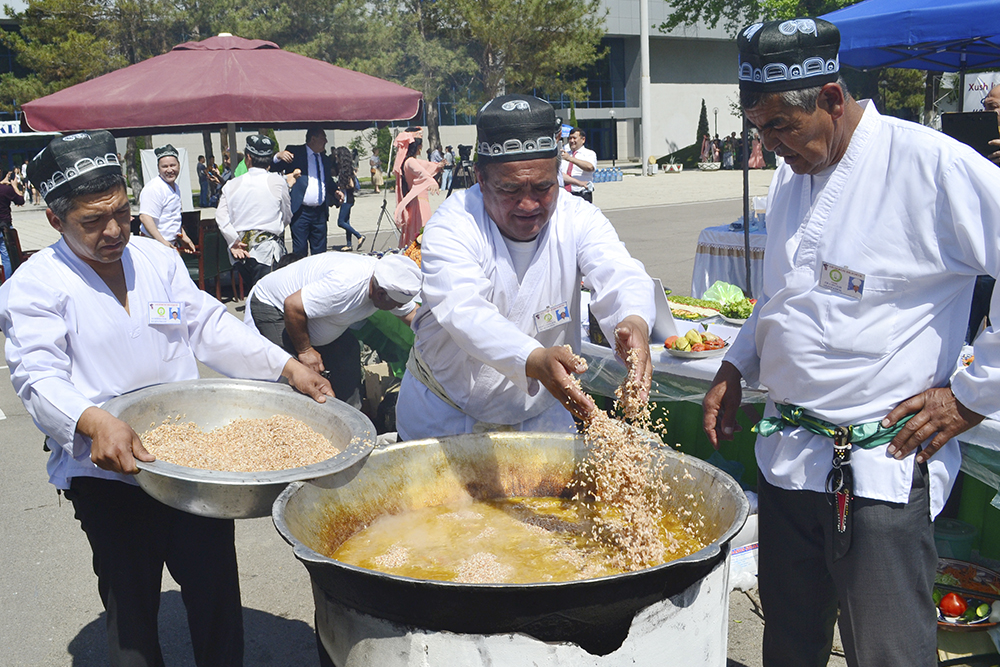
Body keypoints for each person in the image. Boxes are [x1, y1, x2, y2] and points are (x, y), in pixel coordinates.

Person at [702, 18, 1000, 667]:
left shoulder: (931, 167)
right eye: (757, 128)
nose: (767, 146)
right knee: (790, 644)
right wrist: (737, 363)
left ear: (832, 100)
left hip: (879, 467)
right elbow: (783, 293)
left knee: (890, 653)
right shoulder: (793, 171)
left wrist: (973, 396)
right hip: (789, 460)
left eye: (779, 126)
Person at [0, 130, 333, 667]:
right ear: (56, 220)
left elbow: (201, 324)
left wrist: (285, 366)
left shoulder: (155, 261)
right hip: (107, 476)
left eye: (122, 212)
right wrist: (93, 421)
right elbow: (37, 377)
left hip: (190, 466)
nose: (114, 230)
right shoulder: (37, 286)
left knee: (216, 596)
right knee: (131, 612)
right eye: (93, 221)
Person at [395, 94, 655, 440]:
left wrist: (633, 319)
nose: (529, 204)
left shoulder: (577, 218)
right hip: (446, 417)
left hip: (540, 415)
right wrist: (532, 358)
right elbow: (464, 310)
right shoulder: (454, 223)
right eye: (510, 189)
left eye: (544, 187)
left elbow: (620, 272)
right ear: (480, 179)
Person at [246, 252, 421, 410]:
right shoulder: (346, 285)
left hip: (311, 313)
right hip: (277, 307)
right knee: (295, 372)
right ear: (380, 294)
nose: (398, 308)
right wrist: (305, 350)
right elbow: (293, 305)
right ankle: (295, 421)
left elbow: (412, 314)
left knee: (348, 352)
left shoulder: (385, 285)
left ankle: (350, 414)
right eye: (396, 304)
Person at [214, 134, 292, 290]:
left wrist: (233, 240)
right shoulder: (277, 181)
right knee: (268, 295)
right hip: (267, 250)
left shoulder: (231, 185)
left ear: (248, 157)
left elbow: (221, 216)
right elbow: (287, 215)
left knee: (253, 292)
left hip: (240, 251)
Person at [275, 127, 341, 256]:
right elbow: (273, 168)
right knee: (300, 251)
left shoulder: (324, 158)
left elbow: (327, 180)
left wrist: (335, 191)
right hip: (301, 212)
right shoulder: (295, 153)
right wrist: (278, 156)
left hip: (320, 212)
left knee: (320, 252)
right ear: (313, 139)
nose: (326, 141)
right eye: (323, 138)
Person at [138, 144, 196, 253]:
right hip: (154, 245)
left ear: (179, 165)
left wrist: (183, 236)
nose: (169, 170)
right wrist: (162, 242)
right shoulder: (154, 188)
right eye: (164, 166)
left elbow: (172, 218)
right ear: (158, 168)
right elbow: (145, 217)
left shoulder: (176, 188)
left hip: (170, 245)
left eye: (172, 165)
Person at [394, 128, 442, 248]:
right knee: (421, 235)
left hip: (416, 203)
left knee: (417, 236)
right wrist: (431, 181)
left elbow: (426, 165)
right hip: (419, 205)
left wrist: (439, 165)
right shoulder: (410, 162)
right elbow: (422, 172)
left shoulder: (409, 161)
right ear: (419, 146)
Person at [334, 146, 365, 251]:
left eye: (337, 156)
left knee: (341, 222)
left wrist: (340, 187)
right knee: (346, 222)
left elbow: (351, 184)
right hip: (349, 198)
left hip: (347, 199)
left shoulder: (345, 170)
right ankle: (349, 244)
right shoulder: (346, 168)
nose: (336, 158)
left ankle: (359, 236)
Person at [0, 167, 25, 281]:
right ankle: (8, 283)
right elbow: (20, 201)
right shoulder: (5, 190)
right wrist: (14, 186)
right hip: (3, 226)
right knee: (6, 257)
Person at [561, 127, 597, 203]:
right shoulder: (564, 154)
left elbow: (590, 167)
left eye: (574, 138)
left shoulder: (589, 153)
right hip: (565, 194)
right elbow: (560, 174)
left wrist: (570, 159)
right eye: (570, 138)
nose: (572, 141)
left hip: (582, 194)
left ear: (583, 139)